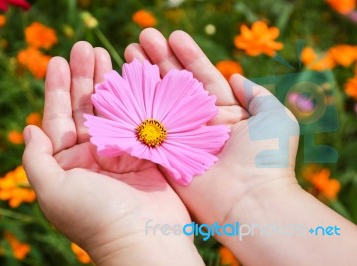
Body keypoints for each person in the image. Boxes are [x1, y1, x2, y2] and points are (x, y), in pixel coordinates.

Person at [22, 28, 357, 266]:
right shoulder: (137, 131)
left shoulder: (175, 136)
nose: (150, 133)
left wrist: (126, 241)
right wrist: (259, 196)